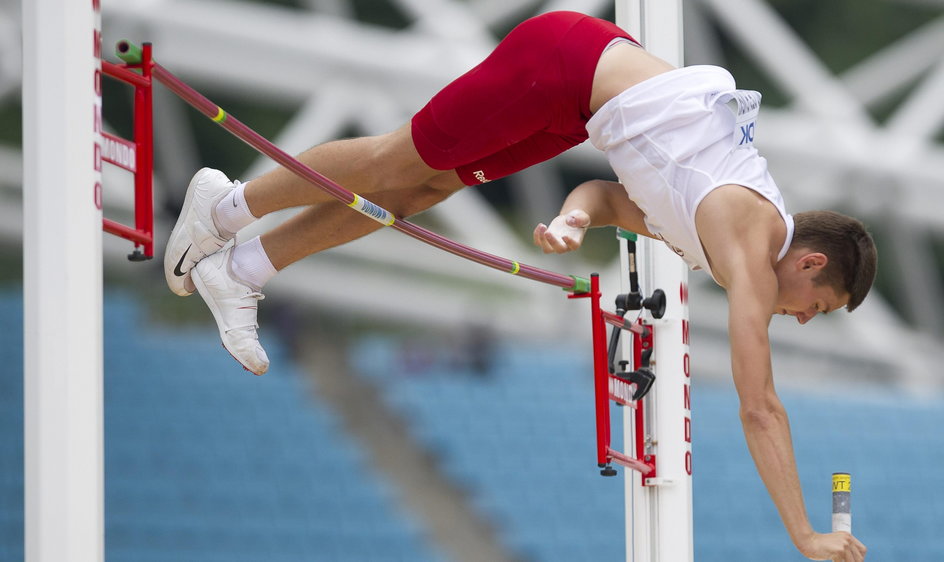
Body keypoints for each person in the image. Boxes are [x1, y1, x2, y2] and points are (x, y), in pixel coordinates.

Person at [164, 11, 873, 561]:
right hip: (565, 63)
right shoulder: (748, 245)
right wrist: (803, 534)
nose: (804, 320)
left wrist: (572, 219)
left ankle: (242, 269)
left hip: (576, 103)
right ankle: (226, 205)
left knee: (422, 191)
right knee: (392, 162)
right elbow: (760, 407)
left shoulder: (721, 236)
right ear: (810, 264)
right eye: (820, 308)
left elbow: (611, 197)